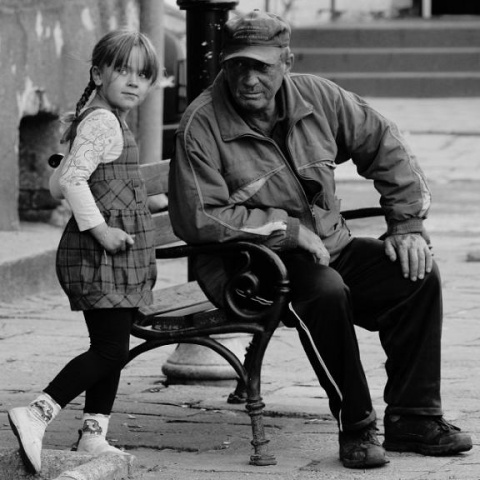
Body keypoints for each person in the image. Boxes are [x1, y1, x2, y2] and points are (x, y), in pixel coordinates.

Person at [168, 10, 473, 470]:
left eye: (262, 67)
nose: (248, 79)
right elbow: (200, 216)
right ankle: (356, 426)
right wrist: (287, 230)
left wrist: (405, 223)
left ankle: (414, 418)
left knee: (416, 274)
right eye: (237, 65)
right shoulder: (203, 122)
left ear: (286, 61)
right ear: (225, 65)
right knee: (325, 293)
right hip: (248, 265)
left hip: (329, 245)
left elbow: (385, 144)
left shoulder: (319, 97)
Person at [8, 29, 159, 474]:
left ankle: (94, 435)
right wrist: (104, 230)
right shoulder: (103, 121)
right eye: (123, 71)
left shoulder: (100, 118)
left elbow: (61, 182)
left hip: (112, 260)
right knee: (112, 349)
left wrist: (138, 202)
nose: (134, 81)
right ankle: (38, 412)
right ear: (98, 73)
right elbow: (73, 182)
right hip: (102, 257)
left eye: (144, 74)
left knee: (110, 344)